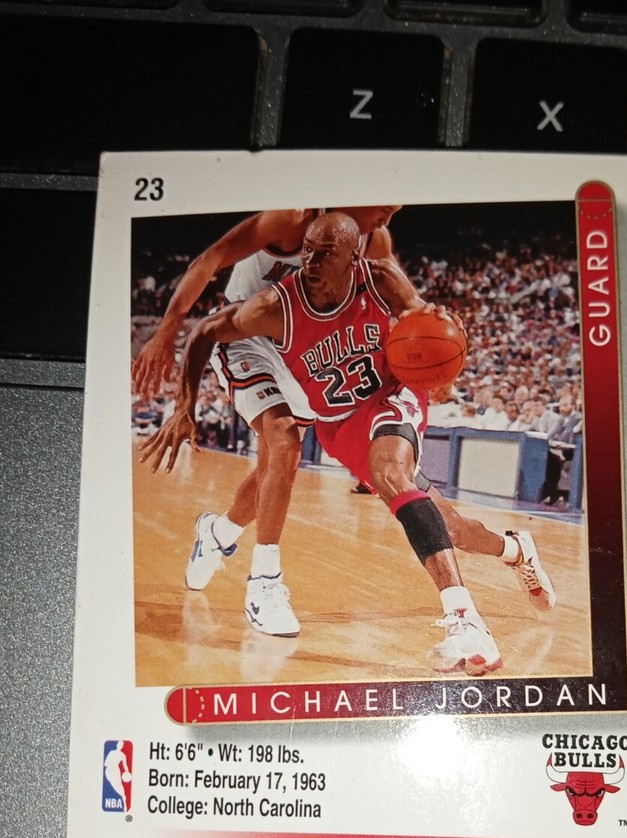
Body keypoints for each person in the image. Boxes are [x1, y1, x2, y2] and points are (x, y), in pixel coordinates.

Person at [135, 206, 555, 628]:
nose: (388, 215)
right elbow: (209, 282)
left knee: (448, 526)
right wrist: (172, 349)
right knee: (284, 442)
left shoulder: (376, 252)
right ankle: (263, 582)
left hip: (310, 363)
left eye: (395, 209)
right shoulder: (291, 220)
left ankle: (218, 534)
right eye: (384, 206)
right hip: (249, 337)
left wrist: (440, 352)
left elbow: (417, 318)